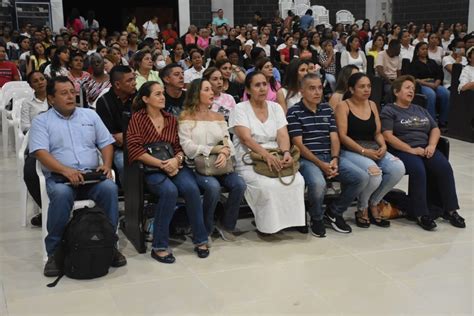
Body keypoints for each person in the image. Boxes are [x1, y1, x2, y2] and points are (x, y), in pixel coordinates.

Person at [29, 76, 126, 276]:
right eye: (63, 93)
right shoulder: (41, 121)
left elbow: (106, 143)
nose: (70, 97)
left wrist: (107, 165)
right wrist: (65, 170)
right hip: (60, 177)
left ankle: (109, 243)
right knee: (62, 195)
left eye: (72, 92)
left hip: (91, 176)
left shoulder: (89, 116)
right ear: (51, 98)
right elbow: (40, 152)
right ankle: (54, 252)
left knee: (109, 188)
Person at [127, 81, 210, 263]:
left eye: (162, 93)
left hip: (174, 163)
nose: (162, 97)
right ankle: (159, 246)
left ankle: (200, 239)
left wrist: (176, 160)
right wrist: (162, 164)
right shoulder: (137, 119)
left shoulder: (171, 119)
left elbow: (179, 147)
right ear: (146, 99)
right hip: (151, 167)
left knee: (191, 188)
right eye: (157, 94)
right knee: (169, 191)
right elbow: (134, 150)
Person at [287, 73, 368, 236]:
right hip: (307, 159)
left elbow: (334, 137)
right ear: (302, 91)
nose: (317, 92)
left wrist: (335, 159)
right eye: (312, 88)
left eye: (319, 88)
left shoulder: (326, 109)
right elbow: (299, 145)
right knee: (318, 184)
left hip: (330, 156)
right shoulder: (294, 112)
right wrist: (321, 164)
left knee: (361, 178)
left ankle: (333, 212)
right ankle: (316, 217)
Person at [380, 75, 465, 230]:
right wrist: (411, 150)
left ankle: (451, 210)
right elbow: (387, 135)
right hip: (403, 149)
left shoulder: (420, 109)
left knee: (444, 167)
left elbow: (435, 129)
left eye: (413, 88)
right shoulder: (389, 110)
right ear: (396, 91)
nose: (411, 91)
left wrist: (432, 146)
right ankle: (421, 214)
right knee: (418, 170)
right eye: (407, 88)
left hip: (425, 147)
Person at [229, 71, 306, 234]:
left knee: (297, 181)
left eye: (265, 84)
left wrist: (285, 152)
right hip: (249, 156)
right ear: (248, 90)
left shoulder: (276, 107)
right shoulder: (240, 108)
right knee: (267, 186)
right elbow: (246, 139)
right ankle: (267, 226)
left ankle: (291, 222)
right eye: (257, 85)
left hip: (276, 152)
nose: (262, 88)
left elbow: (283, 134)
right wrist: (266, 155)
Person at [178, 79, 246, 240]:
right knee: (213, 187)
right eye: (207, 90)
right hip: (198, 166)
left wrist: (224, 153)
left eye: (211, 90)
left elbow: (226, 139)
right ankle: (205, 227)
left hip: (221, 164)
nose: (212, 92)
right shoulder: (186, 117)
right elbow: (187, 146)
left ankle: (226, 224)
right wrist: (213, 150)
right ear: (196, 94)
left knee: (239, 184)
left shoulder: (218, 116)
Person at [335, 73, 405, 228]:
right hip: (351, 150)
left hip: (373, 147)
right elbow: (342, 136)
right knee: (375, 173)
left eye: (368, 86)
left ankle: (374, 202)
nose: (366, 90)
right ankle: (362, 208)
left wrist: (384, 146)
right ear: (352, 89)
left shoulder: (372, 104)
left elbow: (377, 133)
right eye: (362, 86)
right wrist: (364, 152)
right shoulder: (343, 106)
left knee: (398, 168)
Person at [96, 66, 136, 183]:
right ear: (117, 85)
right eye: (129, 81)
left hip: (141, 142)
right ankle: (130, 196)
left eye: (133, 79)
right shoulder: (103, 102)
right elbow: (110, 136)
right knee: (123, 163)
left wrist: (126, 136)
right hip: (117, 148)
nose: (134, 83)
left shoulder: (139, 98)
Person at [409, 42, 450, 128]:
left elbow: (439, 74)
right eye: (422, 49)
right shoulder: (414, 63)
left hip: (435, 83)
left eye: (426, 49)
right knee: (431, 94)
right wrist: (429, 84)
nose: (425, 51)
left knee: (446, 93)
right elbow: (415, 78)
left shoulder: (432, 62)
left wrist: (436, 83)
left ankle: (443, 121)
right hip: (422, 85)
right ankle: (432, 122)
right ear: (417, 51)